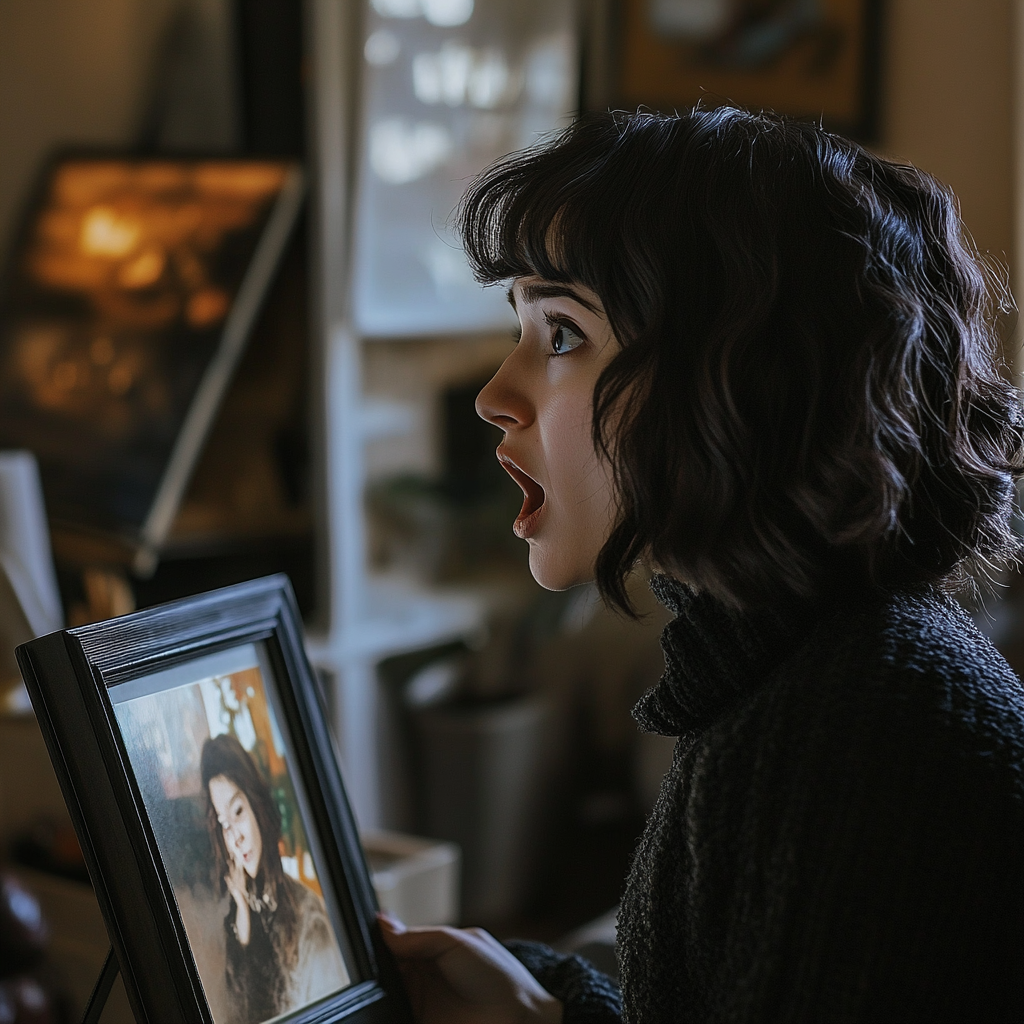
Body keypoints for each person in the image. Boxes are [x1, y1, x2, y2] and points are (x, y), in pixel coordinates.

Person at [379, 107, 1024, 1023]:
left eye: (562, 334)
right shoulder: (804, 678)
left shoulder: (862, 735)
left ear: (741, 379)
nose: (495, 396)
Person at [200, 733, 348, 1023]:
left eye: (238, 811)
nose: (235, 837)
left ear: (258, 805)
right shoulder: (240, 912)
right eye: (224, 824)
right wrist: (242, 917)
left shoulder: (309, 919)